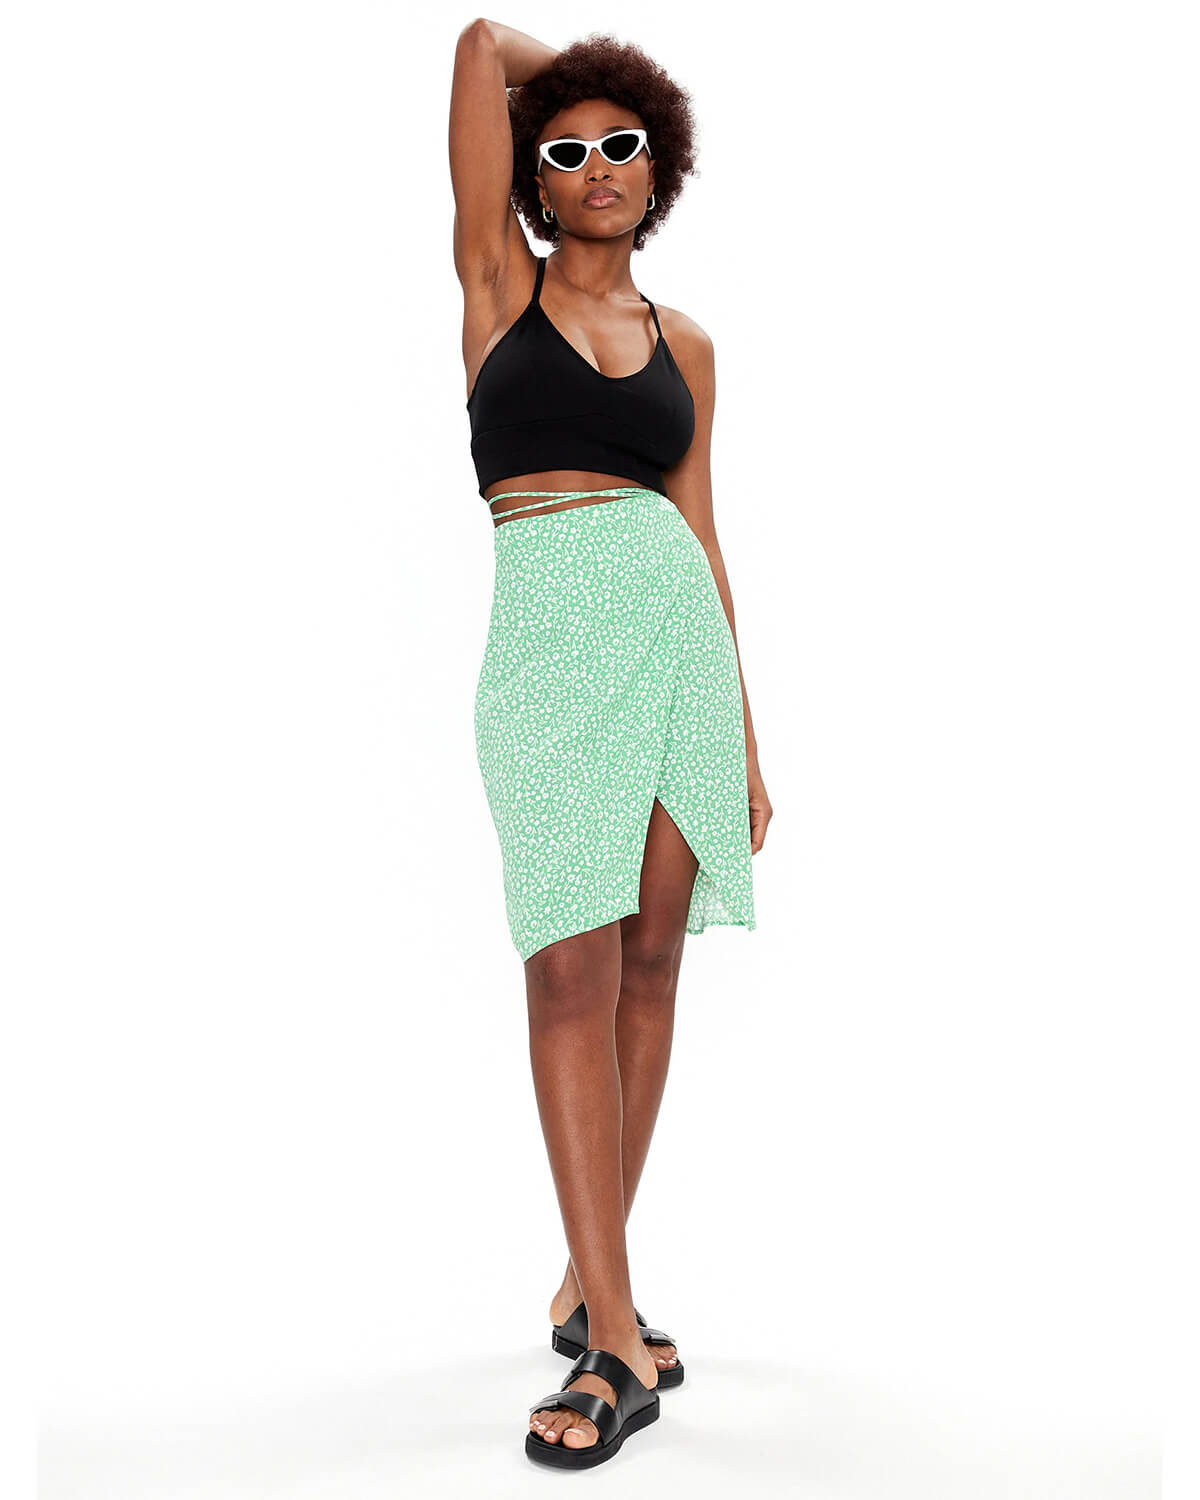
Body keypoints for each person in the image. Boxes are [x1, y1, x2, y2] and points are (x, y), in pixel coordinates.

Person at [450, 19, 773, 1469]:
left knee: (648, 967)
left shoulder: (687, 344)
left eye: (623, 143)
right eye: (567, 148)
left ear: (660, 169)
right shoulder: (496, 288)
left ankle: (601, 1304)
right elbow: (479, 46)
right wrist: (573, 77)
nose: (596, 165)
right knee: (566, 971)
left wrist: (744, 737)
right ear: (533, 175)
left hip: (675, 648)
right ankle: (619, 1338)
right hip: (545, 652)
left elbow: (701, 529)